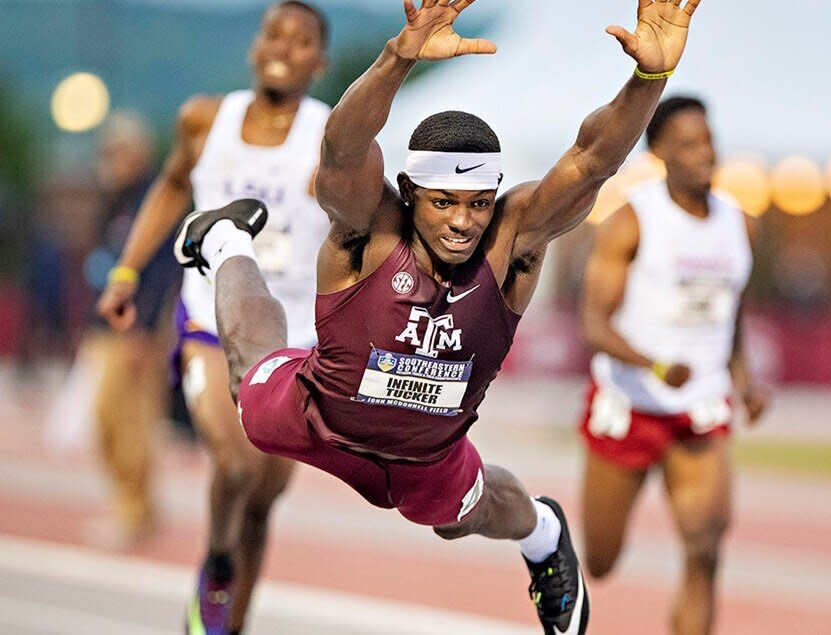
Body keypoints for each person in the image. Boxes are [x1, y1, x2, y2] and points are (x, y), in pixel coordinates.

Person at [162, 1, 705, 633]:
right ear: (411, 192)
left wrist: (649, 80)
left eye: (477, 203)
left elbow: (592, 160)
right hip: (318, 414)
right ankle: (228, 241)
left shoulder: (513, 245)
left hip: (427, 456)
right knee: (249, 386)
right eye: (443, 202)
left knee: (457, 520)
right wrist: (399, 57)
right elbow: (341, 148)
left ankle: (545, 536)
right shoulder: (370, 227)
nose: (462, 222)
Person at [97, 3, 331, 633]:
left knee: (263, 500)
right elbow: (173, 185)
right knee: (235, 462)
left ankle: (230, 618)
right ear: (255, 46)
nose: (283, 45)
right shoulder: (204, 120)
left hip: (296, 339)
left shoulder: (333, 139)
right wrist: (126, 270)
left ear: (320, 61)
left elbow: (363, 230)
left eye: (301, 38)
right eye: (273, 32)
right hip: (210, 320)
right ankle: (218, 559)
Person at [578, 95, 767, 635]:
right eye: (687, 144)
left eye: (708, 139)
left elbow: (734, 317)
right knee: (602, 560)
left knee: (706, 547)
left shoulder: (742, 225)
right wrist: (655, 366)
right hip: (630, 403)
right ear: (658, 152)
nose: (704, 152)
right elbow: (593, 325)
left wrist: (745, 381)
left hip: (700, 404)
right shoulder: (631, 220)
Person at [82, 112, 181, 548]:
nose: (108, 162)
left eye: (116, 153)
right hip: (106, 324)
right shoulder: (115, 201)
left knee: (131, 421)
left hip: (138, 329)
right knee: (106, 419)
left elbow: (162, 271)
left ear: (136, 155)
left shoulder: (154, 202)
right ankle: (134, 503)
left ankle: (135, 511)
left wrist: (146, 329)